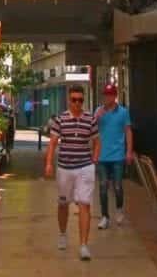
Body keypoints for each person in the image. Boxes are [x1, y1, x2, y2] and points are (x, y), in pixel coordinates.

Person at [44, 84, 100, 261]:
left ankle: (83, 245)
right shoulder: (60, 119)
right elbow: (53, 142)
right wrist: (49, 163)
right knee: (63, 204)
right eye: (74, 100)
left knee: (84, 204)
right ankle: (62, 233)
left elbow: (97, 141)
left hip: (85, 167)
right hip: (65, 168)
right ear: (69, 100)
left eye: (80, 100)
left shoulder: (90, 119)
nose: (77, 103)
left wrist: (94, 159)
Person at [95, 83, 133, 229]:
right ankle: (105, 216)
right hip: (102, 156)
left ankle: (119, 208)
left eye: (110, 95)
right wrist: (96, 118)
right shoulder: (98, 111)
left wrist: (129, 151)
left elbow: (128, 131)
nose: (108, 97)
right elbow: (91, 130)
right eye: (106, 95)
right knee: (103, 186)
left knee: (117, 186)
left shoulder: (123, 112)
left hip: (117, 156)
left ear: (115, 96)